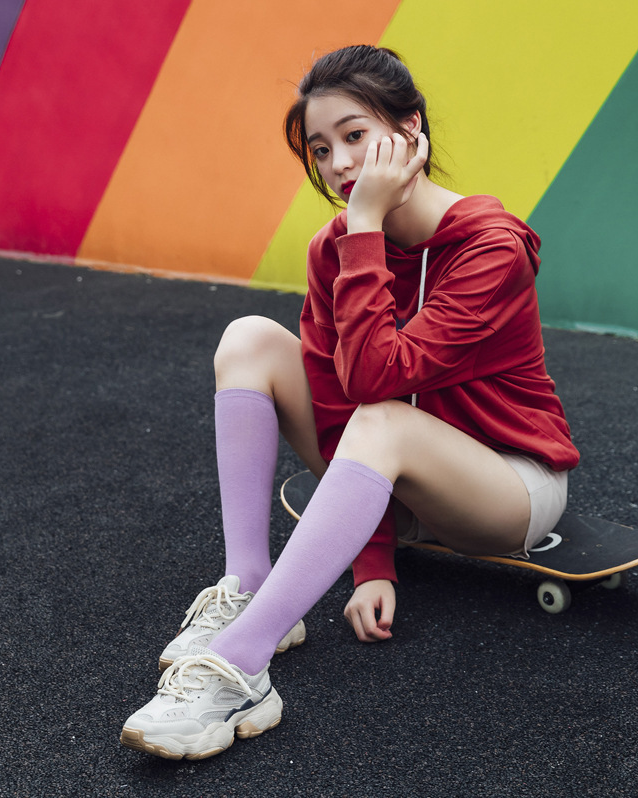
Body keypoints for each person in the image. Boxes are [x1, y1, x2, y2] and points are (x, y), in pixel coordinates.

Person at [120, 44, 579, 760]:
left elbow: (374, 382)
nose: (338, 164)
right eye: (320, 149)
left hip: (505, 487)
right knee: (249, 338)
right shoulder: (332, 248)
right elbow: (338, 410)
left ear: (410, 128)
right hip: (390, 471)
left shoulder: (491, 249)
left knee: (384, 416)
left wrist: (364, 227)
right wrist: (374, 562)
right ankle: (247, 586)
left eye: (355, 135)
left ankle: (240, 667)